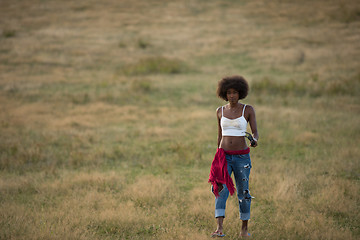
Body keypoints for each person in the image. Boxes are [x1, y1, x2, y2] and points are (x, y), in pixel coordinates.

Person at [209, 75, 259, 238]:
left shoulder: (248, 110)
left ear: (241, 93)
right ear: (224, 94)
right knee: (220, 190)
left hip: (241, 158)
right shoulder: (220, 111)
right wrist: (217, 156)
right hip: (223, 156)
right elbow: (219, 135)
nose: (232, 96)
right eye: (229, 93)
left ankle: (244, 229)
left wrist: (255, 140)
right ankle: (219, 228)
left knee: (243, 192)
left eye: (235, 92)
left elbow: (255, 132)